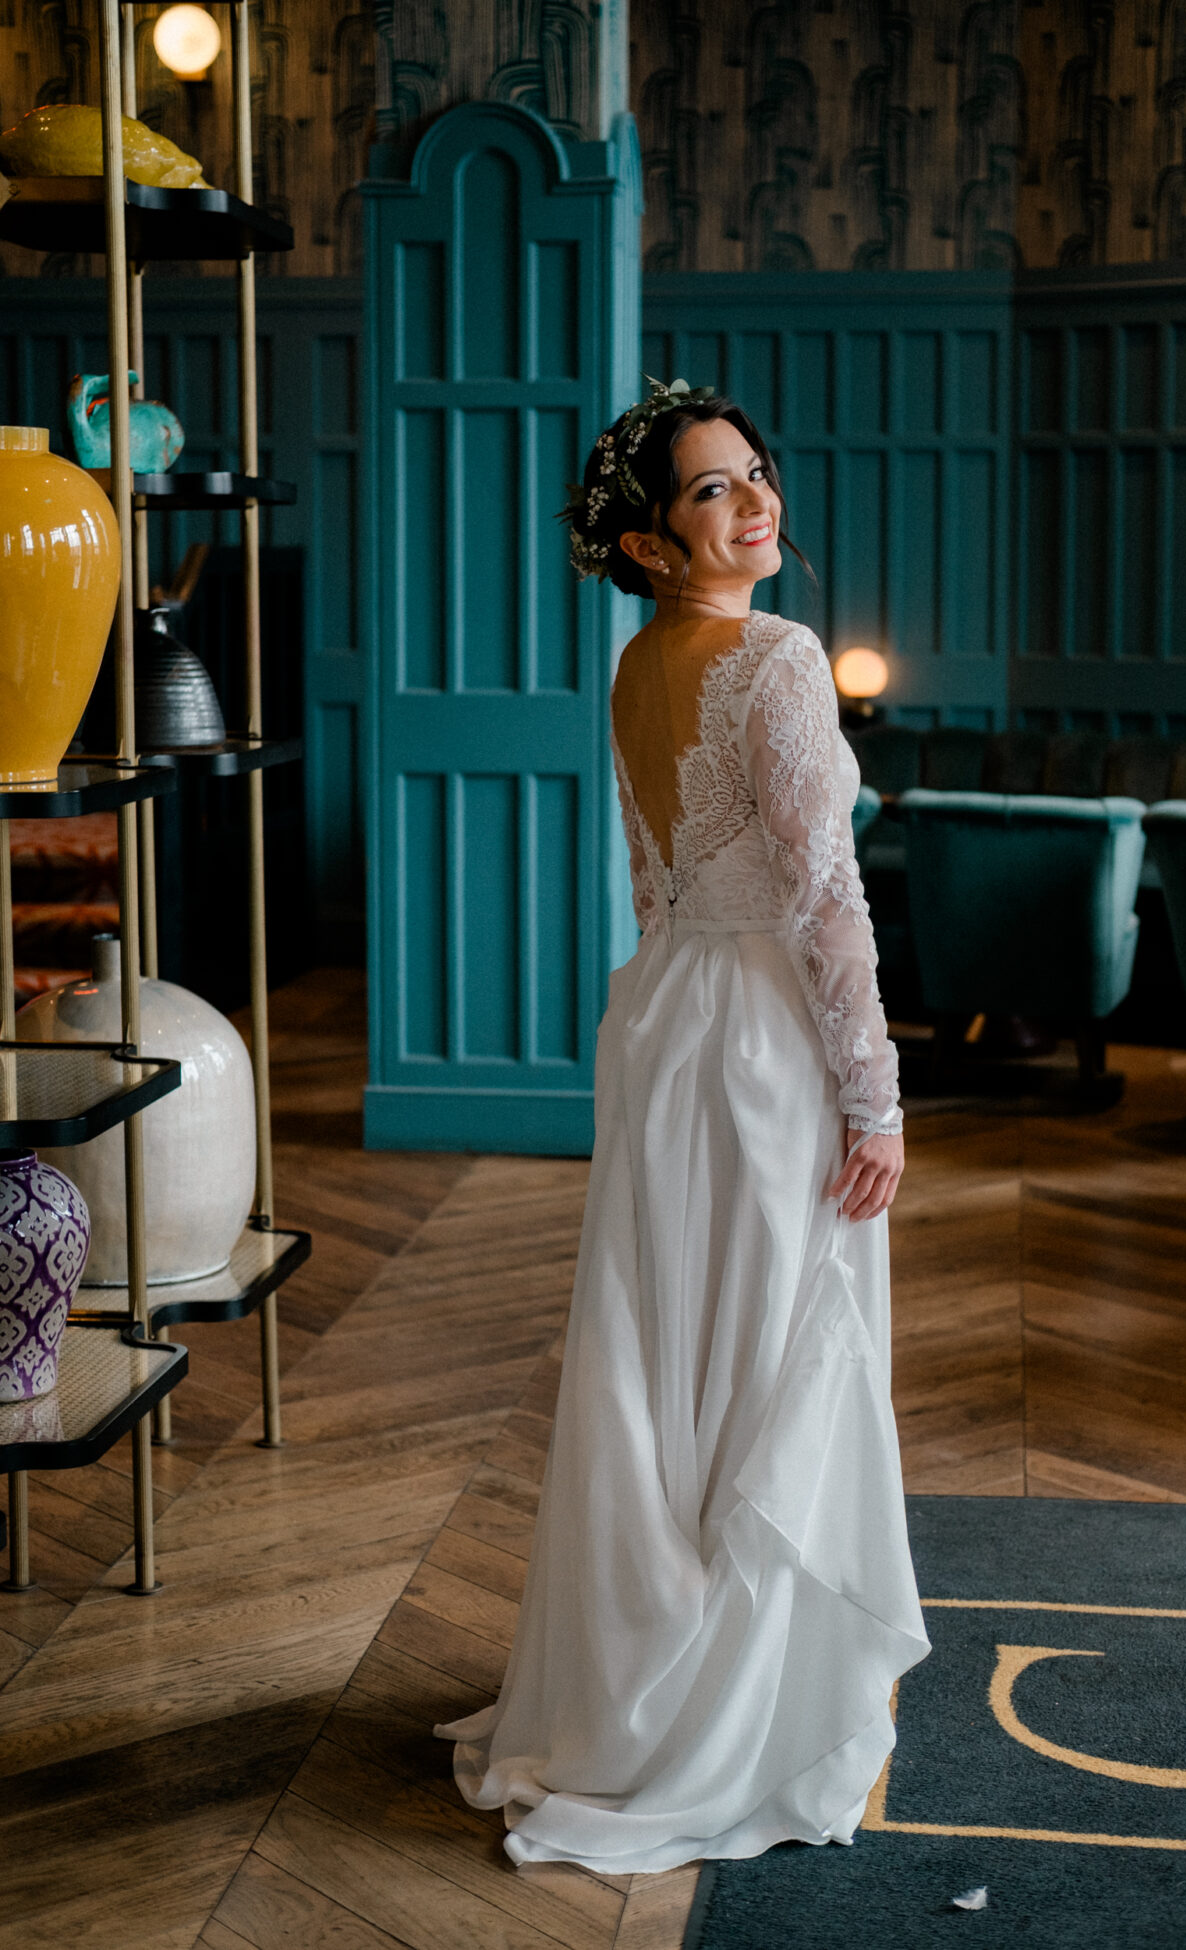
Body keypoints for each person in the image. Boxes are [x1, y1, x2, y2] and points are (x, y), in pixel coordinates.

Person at [434, 378, 929, 1875]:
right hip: (763, 1037)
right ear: (651, 543)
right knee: (774, 1333)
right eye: (714, 490)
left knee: (669, 1348)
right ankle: (743, 1705)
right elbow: (823, 895)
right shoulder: (772, 661)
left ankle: (638, 1687)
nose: (756, 500)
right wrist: (877, 1091)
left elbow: (667, 883)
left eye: (755, 473)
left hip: (661, 1024)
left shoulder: (641, 665)